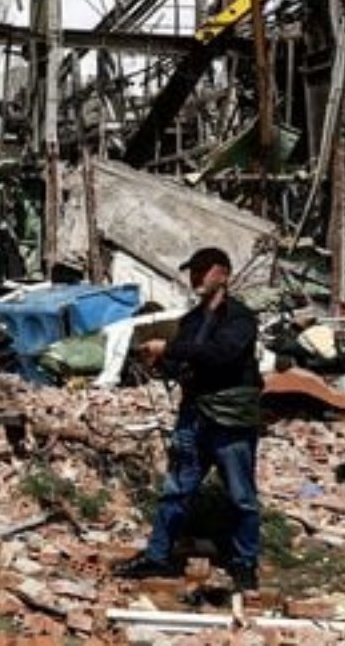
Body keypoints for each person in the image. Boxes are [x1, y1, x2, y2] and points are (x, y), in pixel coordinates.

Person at [113, 246, 263, 592]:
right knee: (176, 490)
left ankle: (244, 564)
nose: (196, 277)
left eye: (203, 270)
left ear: (223, 274)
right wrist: (158, 363)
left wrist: (167, 349)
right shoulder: (192, 320)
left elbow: (219, 355)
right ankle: (157, 556)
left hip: (230, 419)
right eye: (193, 271)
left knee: (241, 496)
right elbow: (183, 362)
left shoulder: (240, 319)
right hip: (194, 416)